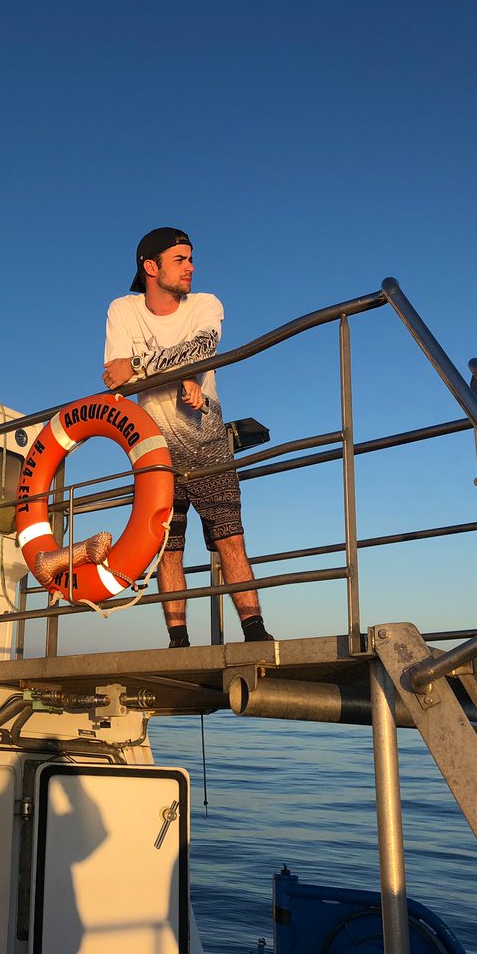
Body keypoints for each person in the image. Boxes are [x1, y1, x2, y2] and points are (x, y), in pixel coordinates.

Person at [103, 227, 273, 646]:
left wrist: (143, 366)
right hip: (155, 450)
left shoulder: (205, 303)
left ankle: (255, 632)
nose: (191, 267)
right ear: (150, 267)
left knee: (231, 539)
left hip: (208, 442)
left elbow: (201, 349)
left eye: (190, 258)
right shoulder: (123, 310)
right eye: (180, 260)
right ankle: (178, 640)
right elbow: (114, 380)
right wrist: (168, 375)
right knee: (168, 549)